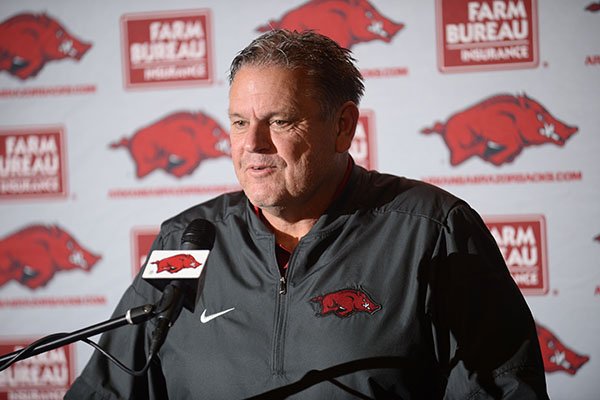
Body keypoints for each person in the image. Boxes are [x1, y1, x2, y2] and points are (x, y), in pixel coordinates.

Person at [66, 30, 548, 399]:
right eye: (239, 123)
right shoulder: (187, 240)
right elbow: (106, 388)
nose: (252, 145)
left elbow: (502, 387)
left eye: (279, 121)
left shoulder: (433, 232)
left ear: (342, 127)